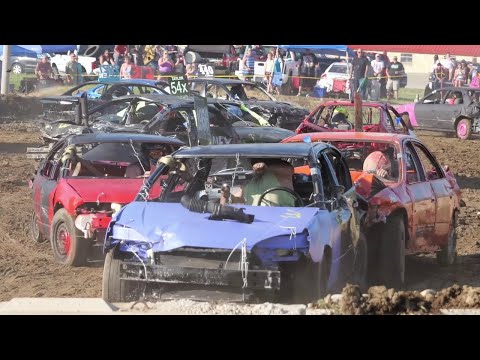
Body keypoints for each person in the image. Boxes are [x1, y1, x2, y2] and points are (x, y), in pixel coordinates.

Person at [220, 159, 296, 207]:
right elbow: (241, 200)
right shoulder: (250, 182)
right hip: (255, 221)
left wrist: (266, 167)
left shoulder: (282, 172)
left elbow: (288, 170)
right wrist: (226, 196)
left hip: (283, 219)